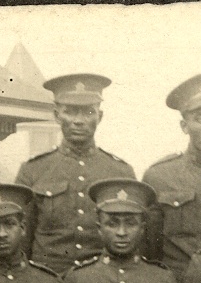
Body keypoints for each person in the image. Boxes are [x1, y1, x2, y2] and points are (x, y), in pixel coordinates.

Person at [17, 73, 137, 271]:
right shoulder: (33, 171)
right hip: (50, 281)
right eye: (70, 112)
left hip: (102, 281)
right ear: (56, 115)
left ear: (100, 116)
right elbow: (21, 238)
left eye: (88, 112)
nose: (79, 121)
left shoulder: (121, 172)